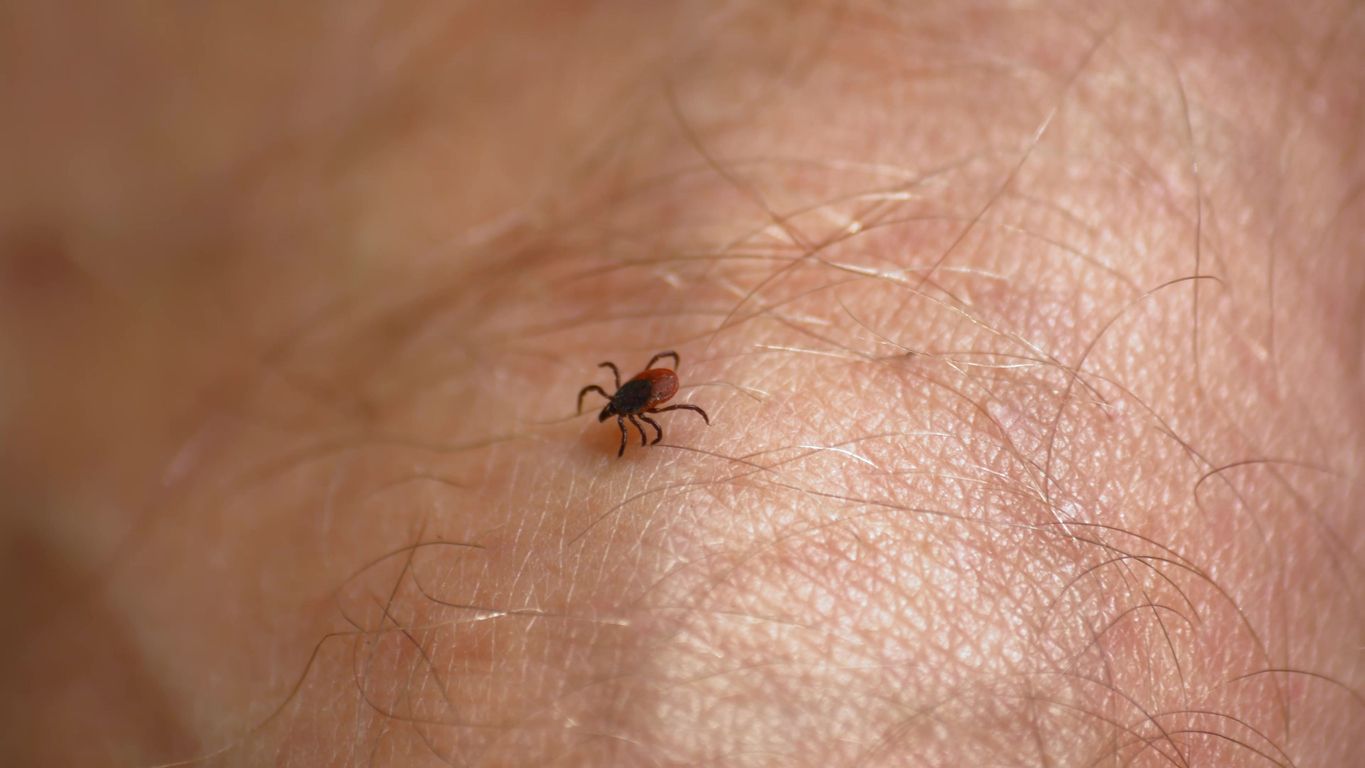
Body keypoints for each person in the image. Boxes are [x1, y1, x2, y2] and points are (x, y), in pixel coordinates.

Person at [1, 2, 1361, 765]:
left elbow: (654, 392)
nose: (623, 412)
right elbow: (657, 387)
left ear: (626, 407)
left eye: (626, 409)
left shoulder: (633, 403)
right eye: (622, 409)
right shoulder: (635, 400)